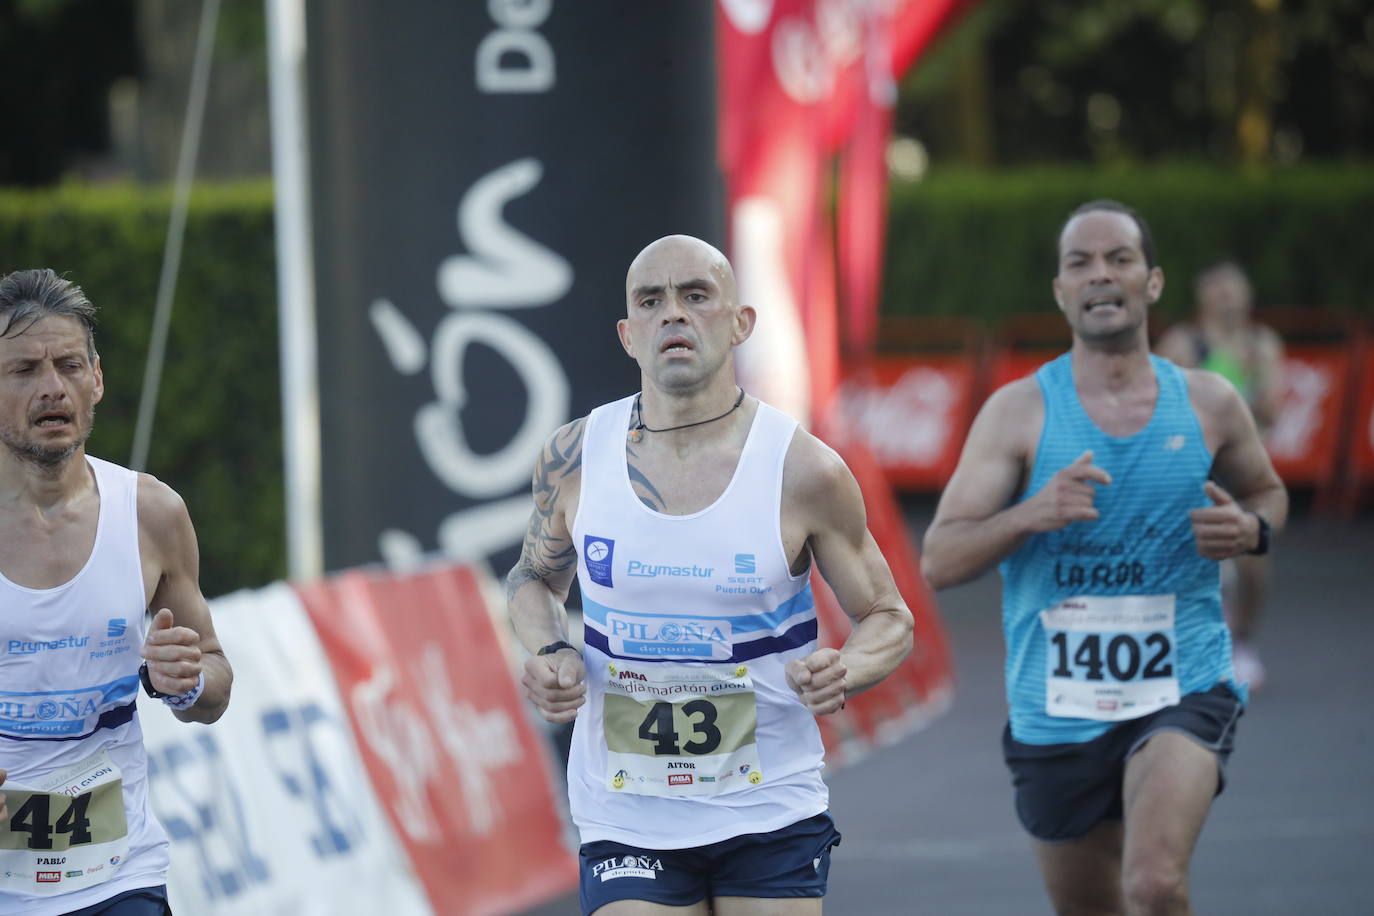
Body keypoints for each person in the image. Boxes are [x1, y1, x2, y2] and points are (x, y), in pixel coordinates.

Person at [505, 235, 914, 915]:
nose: (674, 315)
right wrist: (549, 651)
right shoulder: (575, 456)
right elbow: (532, 579)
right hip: (626, 808)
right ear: (628, 334)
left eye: (696, 296)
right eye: (651, 301)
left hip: (768, 801)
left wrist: (847, 668)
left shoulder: (804, 469)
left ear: (739, 322)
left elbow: (888, 616)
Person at [921, 202, 1287, 916]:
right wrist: (1032, 512)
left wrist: (1250, 530)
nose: (1100, 274)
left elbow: (1269, 492)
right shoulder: (1017, 412)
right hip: (1055, 709)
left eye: (1119, 258)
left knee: (1153, 886)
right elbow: (940, 558)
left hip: (1182, 682)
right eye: (1080, 263)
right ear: (1061, 291)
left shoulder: (1210, 403)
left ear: (1151, 283)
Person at [0, 269, 232, 916]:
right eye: (22, 370)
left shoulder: (152, 514)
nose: (51, 388)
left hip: (118, 879)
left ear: (96, 380)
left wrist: (181, 680)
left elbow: (214, 683)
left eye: (69, 365)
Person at [1156, 261, 1285, 690]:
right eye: (1220, 290)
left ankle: (1243, 641)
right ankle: (1198, 647)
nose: (1228, 298)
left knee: (1251, 567)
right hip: (1195, 471)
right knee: (1199, 564)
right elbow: (1156, 400)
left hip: (1246, 472)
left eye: (1235, 290)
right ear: (1203, 298)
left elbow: (1272, 410)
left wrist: (1249, 374)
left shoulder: (1262, 344)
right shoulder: (1181, 342)